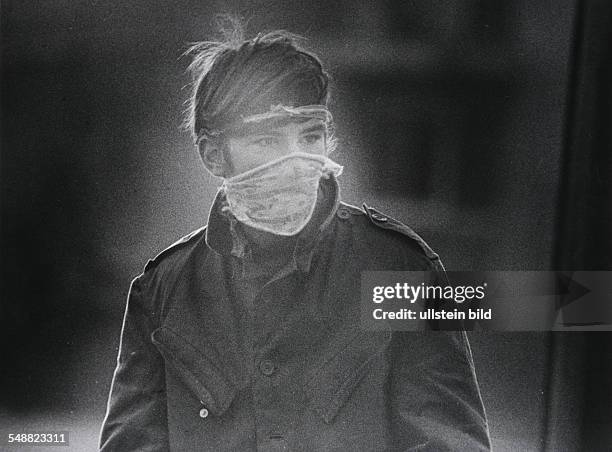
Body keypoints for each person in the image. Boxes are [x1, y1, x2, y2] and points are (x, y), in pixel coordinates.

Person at [99, 27, 491, 451]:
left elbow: (449, 444)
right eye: (267, 139)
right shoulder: (163, 291)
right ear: (213, 154)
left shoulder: (398, 267)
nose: (294, 159)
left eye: (310, 135)